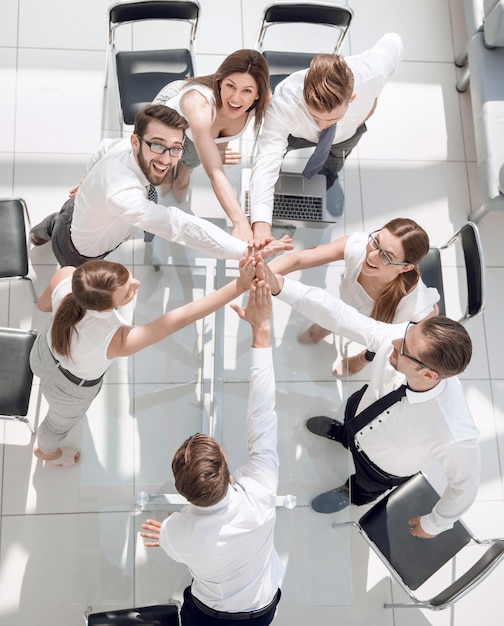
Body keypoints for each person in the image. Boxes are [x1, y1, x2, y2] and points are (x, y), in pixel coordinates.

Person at [257, 259, 480, 538]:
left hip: (380, 467)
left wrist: (435, 523)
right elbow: (340, 316)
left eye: (405, 349)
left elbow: (465, 486)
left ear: (429, 375)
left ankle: (350, 492)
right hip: (361, 412)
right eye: (406, 333)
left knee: (364, 489)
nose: (394, 343)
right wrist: (281, 287)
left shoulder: (454, 431)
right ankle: (343, 435)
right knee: (350, 424)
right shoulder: (401, 339)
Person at [140, 280, 284, 624]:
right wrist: (260, 331)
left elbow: (172, 542)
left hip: (210, 614)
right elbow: (263, 414)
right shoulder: (261, 496)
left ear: (183, 492)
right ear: (229, 474)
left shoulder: (177, 533)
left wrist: (164, 534)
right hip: (262, 608)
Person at [30, 256, 257, 467]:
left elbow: (42, 306)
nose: (137, 284)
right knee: (56, 426)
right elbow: (184, 316)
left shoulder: (67, 277)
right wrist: (240, 285)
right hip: (70, 391)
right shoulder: (117, 339)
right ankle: (47, 452)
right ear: (104, 306)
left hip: (40, 354)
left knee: (54, 406)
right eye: (129, 291)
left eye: (130, 277)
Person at [30, 104, 291, 267]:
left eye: (175, 148)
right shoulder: (122, 194)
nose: (167, 160)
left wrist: (86, 180)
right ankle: (42, 236)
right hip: (79, 254)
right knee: (70, 260)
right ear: (136, 142)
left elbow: (103, 148)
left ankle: (36, 234)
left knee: (56, 221)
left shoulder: (124, 146)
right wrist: (244, 249)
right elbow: (179, 225)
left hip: (75, 209)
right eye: (157, 145)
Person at [249, 33, 404, 242]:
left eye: (331, 118)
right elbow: (267, 161)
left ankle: (329, 178)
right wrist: (261, 223)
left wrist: (372, 101)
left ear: (352, 97)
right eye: (315, 116)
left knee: (335, 160)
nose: (321, 125)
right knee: (274, 160)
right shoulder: (284, 104)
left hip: (346, 134)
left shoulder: (372, 71)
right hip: (296, 133)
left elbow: (394, 41)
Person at [268, 218, 439, 377]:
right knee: (328, 320)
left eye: (386, 257)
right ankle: (325, 328)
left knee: (373, 346)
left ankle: (361, 359)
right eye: (376, 242)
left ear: (405, 268)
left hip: (376, 329)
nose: (371, 256)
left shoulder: (414, 304)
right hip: (346, 304)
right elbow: (298, 259)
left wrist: (366, 356)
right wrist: (262, 272)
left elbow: (423, 325)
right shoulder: (360, 246)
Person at [153, 49, 271, 243]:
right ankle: (168, 174)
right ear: (219, 82)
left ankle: (183, 176)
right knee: (164, 159)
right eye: (230, 86)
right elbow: (215, 172)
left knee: (189, 163)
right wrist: (240, 221)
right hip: (172, 119)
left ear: (258, 94)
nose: (235, 98)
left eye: (247, 91)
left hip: (200, 136)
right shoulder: (198, 104)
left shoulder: (264, 102)